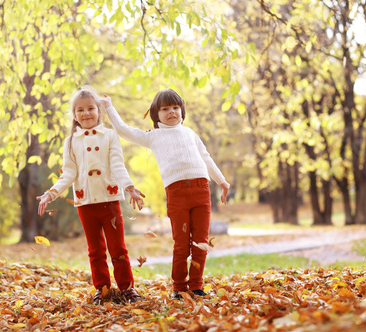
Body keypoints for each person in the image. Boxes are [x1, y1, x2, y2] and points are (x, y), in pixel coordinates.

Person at [101, 88, 230, 300]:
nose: (172, 112)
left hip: (201, 190)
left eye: (176, 107)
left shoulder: (190, 133)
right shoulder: (153, 137)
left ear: (182, 111)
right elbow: (123, 130)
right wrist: (108, 106)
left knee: (201, 242)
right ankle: (179, 288)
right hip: (176, 193)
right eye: (165, 109)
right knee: (181, 245)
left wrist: (222, 182)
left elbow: (206, 158)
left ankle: (196, 286)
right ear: (156, 114)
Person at [37, 86, 145, 305]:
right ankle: (103, 289)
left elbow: (117, 165)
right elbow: (68, 173)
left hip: (110, 200)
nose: (85, 113)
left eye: (90, 108)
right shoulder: (71, 142)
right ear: (74, 115)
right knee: (95, 250)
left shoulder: (110, 136)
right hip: (85, 202)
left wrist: (129, 187)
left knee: (118, 249)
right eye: (80, 110)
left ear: (99, 111)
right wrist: (51, 193)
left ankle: (127, 288)